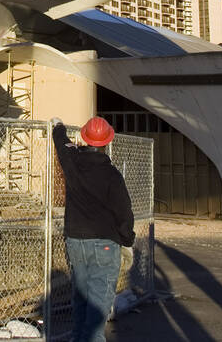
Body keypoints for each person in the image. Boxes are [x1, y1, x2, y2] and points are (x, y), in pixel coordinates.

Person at [51, 115, 135, 342]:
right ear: (107, 142)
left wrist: (58, 125)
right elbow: (124, 212)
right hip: (105, 243)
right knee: (98, 306)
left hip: (76, 240)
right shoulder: (112, 175)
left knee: (81, 298)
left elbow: (61, 143)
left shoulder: (73, 163)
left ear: (84, 138)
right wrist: (127, 240)